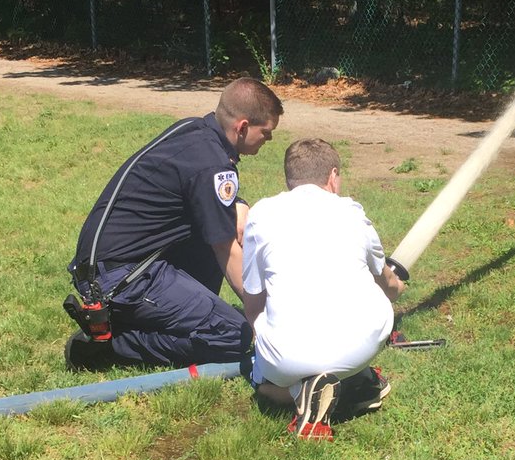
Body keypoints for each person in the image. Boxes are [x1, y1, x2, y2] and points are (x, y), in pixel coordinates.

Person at [65, 76, 283, 371]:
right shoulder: (212, 165)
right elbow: (226, 249)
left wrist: (239, 205)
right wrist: (263, 313)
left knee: (215, 227)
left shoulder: (195, 130)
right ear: (242, 127)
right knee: (234, 335)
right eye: (266, 133)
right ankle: (111, 344)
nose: (268, 141)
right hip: (122, 277)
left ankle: (165, 315)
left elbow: (204, 199)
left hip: (110, 264)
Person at [242, 138, 405, 440]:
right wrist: (398, 287)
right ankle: (350, 387)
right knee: (375, 302)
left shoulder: (262, 214)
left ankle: (304, 390)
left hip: (287, 358)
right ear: (332, 176)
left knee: (261, 383)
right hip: (360, 345)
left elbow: (253, 301)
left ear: (290, 179)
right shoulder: (353, 211)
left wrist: (262, 340)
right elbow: (387, 284)